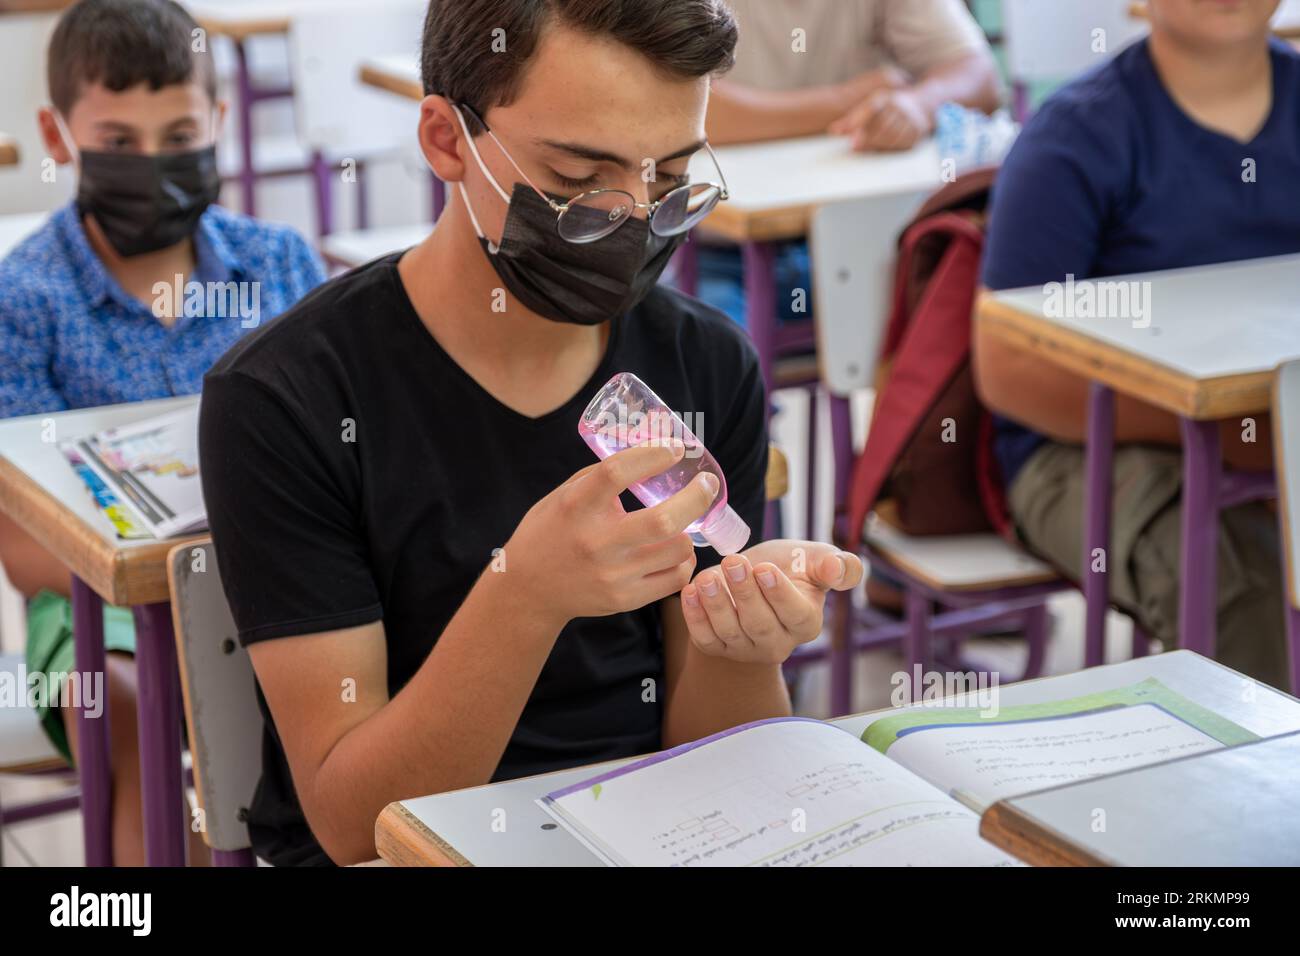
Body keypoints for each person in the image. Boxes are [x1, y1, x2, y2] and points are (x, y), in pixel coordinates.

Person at [199, 0, 864, 866]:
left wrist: (742, 643)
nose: (631, 216)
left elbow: (714, 757)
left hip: (646, 825)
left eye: (667, 178)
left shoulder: (705, 364)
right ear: (446, 141)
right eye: (580, 178)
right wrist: (525, 596)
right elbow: (354, 822)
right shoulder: (287, 400)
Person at [0, 0, 326, 864]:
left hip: (284, 575)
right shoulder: (22, 299)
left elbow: (345, 446)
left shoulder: (279, 263)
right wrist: (152, 576)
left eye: (179, 135)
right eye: (118, 140)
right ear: (57, 134)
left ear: (218, 121)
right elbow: (25, 551)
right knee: (122, 704)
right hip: (97, 609)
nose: (152, 164)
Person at [975, 0, 1298, 688]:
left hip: (1281, 434)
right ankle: (1249, 791)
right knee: (1240, 583)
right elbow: (1006, 368)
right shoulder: (1079, 135)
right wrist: (1234, 434)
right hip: (1083, 451)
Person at [696, 0, 1001, 327]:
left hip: (875, 243)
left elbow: (980, 76)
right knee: (710, 356)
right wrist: (850, 99)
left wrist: (919, 105)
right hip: (719, 254)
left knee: (959, 328)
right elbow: (691, 108)